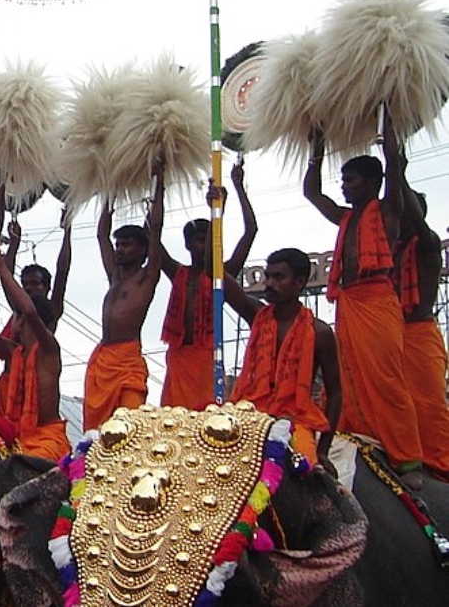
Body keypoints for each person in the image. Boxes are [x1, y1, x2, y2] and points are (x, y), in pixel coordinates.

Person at [304, 124, 425, 487]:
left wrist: (390, 132)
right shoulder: (345, 217)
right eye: (343, 180)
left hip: (377, 300)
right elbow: (311, 192)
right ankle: (354, 435)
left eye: (350, 180)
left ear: (373, 182)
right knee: (347, 375)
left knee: (386, 377)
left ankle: (408, 458)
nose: (344, 186)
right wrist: (317, 147)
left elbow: (394, 165)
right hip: (349, 303)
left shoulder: (389, 210)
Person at [224, 247, 340, 470]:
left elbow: (335, 393)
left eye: (278, 277)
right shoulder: (257, 315)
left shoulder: (320, 332)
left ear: (299, 282)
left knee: (307, 473)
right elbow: (216, 274)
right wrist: (247, 231)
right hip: (249, 416)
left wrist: (323, 451)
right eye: (267, 276)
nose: (269, 283)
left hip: (296, 421)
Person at [159, 159, 257, 410]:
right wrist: (158, 184)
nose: (202, 245)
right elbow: (153, 241)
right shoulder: (178, 272)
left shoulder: (223, 273)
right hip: (179, 356)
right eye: (197, 240)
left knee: (208, 417)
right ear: (187, 244)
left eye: (206, 239)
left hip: (207, 357)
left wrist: (232, 195)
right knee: (173, 419)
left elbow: (250, 231)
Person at [84, 157, 165, 431]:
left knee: (128, 428)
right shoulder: (115, 277)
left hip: (128, 360)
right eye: (118, 245)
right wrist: (110, 189)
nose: (119, 249)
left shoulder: (147, 276)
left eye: (127, 245)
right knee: (97, 434)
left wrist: (159, 183)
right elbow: (101, 235)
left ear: (142, 250)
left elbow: (156, 229)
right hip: (104, 359)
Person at [0, 237, 70, 461]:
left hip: (46, 437)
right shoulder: (15, 352)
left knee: (24, 464)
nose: (13, 321)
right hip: (16, 434)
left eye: (16, 316)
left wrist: (0, 265)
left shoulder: (48, 348)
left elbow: (28, 309)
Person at [394, 169, 449, 478]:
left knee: (428, 408)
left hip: (419, 337)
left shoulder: (427, 244)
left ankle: (441, 469)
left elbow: (414, 218)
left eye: (402, 210)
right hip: (390, 337)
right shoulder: (386, 251)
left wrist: (397, 171)